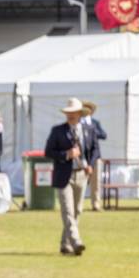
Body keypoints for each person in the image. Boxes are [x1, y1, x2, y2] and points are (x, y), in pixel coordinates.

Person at [45, 98, 96, 256]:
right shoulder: (57, 131)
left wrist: (90, 164)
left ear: (80, 113)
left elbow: (95, 150)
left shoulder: (89, 130)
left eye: (73, 113)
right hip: (63, 176)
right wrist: (66, 155)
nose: (70, 115)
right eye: (68, 113)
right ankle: (76, 241)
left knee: (77, 211)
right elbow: (48, 152)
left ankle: (65, 244)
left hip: (81, 174)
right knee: (67, 210)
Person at [81, 100, 108, 211]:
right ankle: (78, 204)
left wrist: (92, 131)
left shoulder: (95, 123)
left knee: (95, 182)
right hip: (82, 155)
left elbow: (104, 135)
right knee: (80, 181)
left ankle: (95, 204)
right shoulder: (78, 122)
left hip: (94, 155)